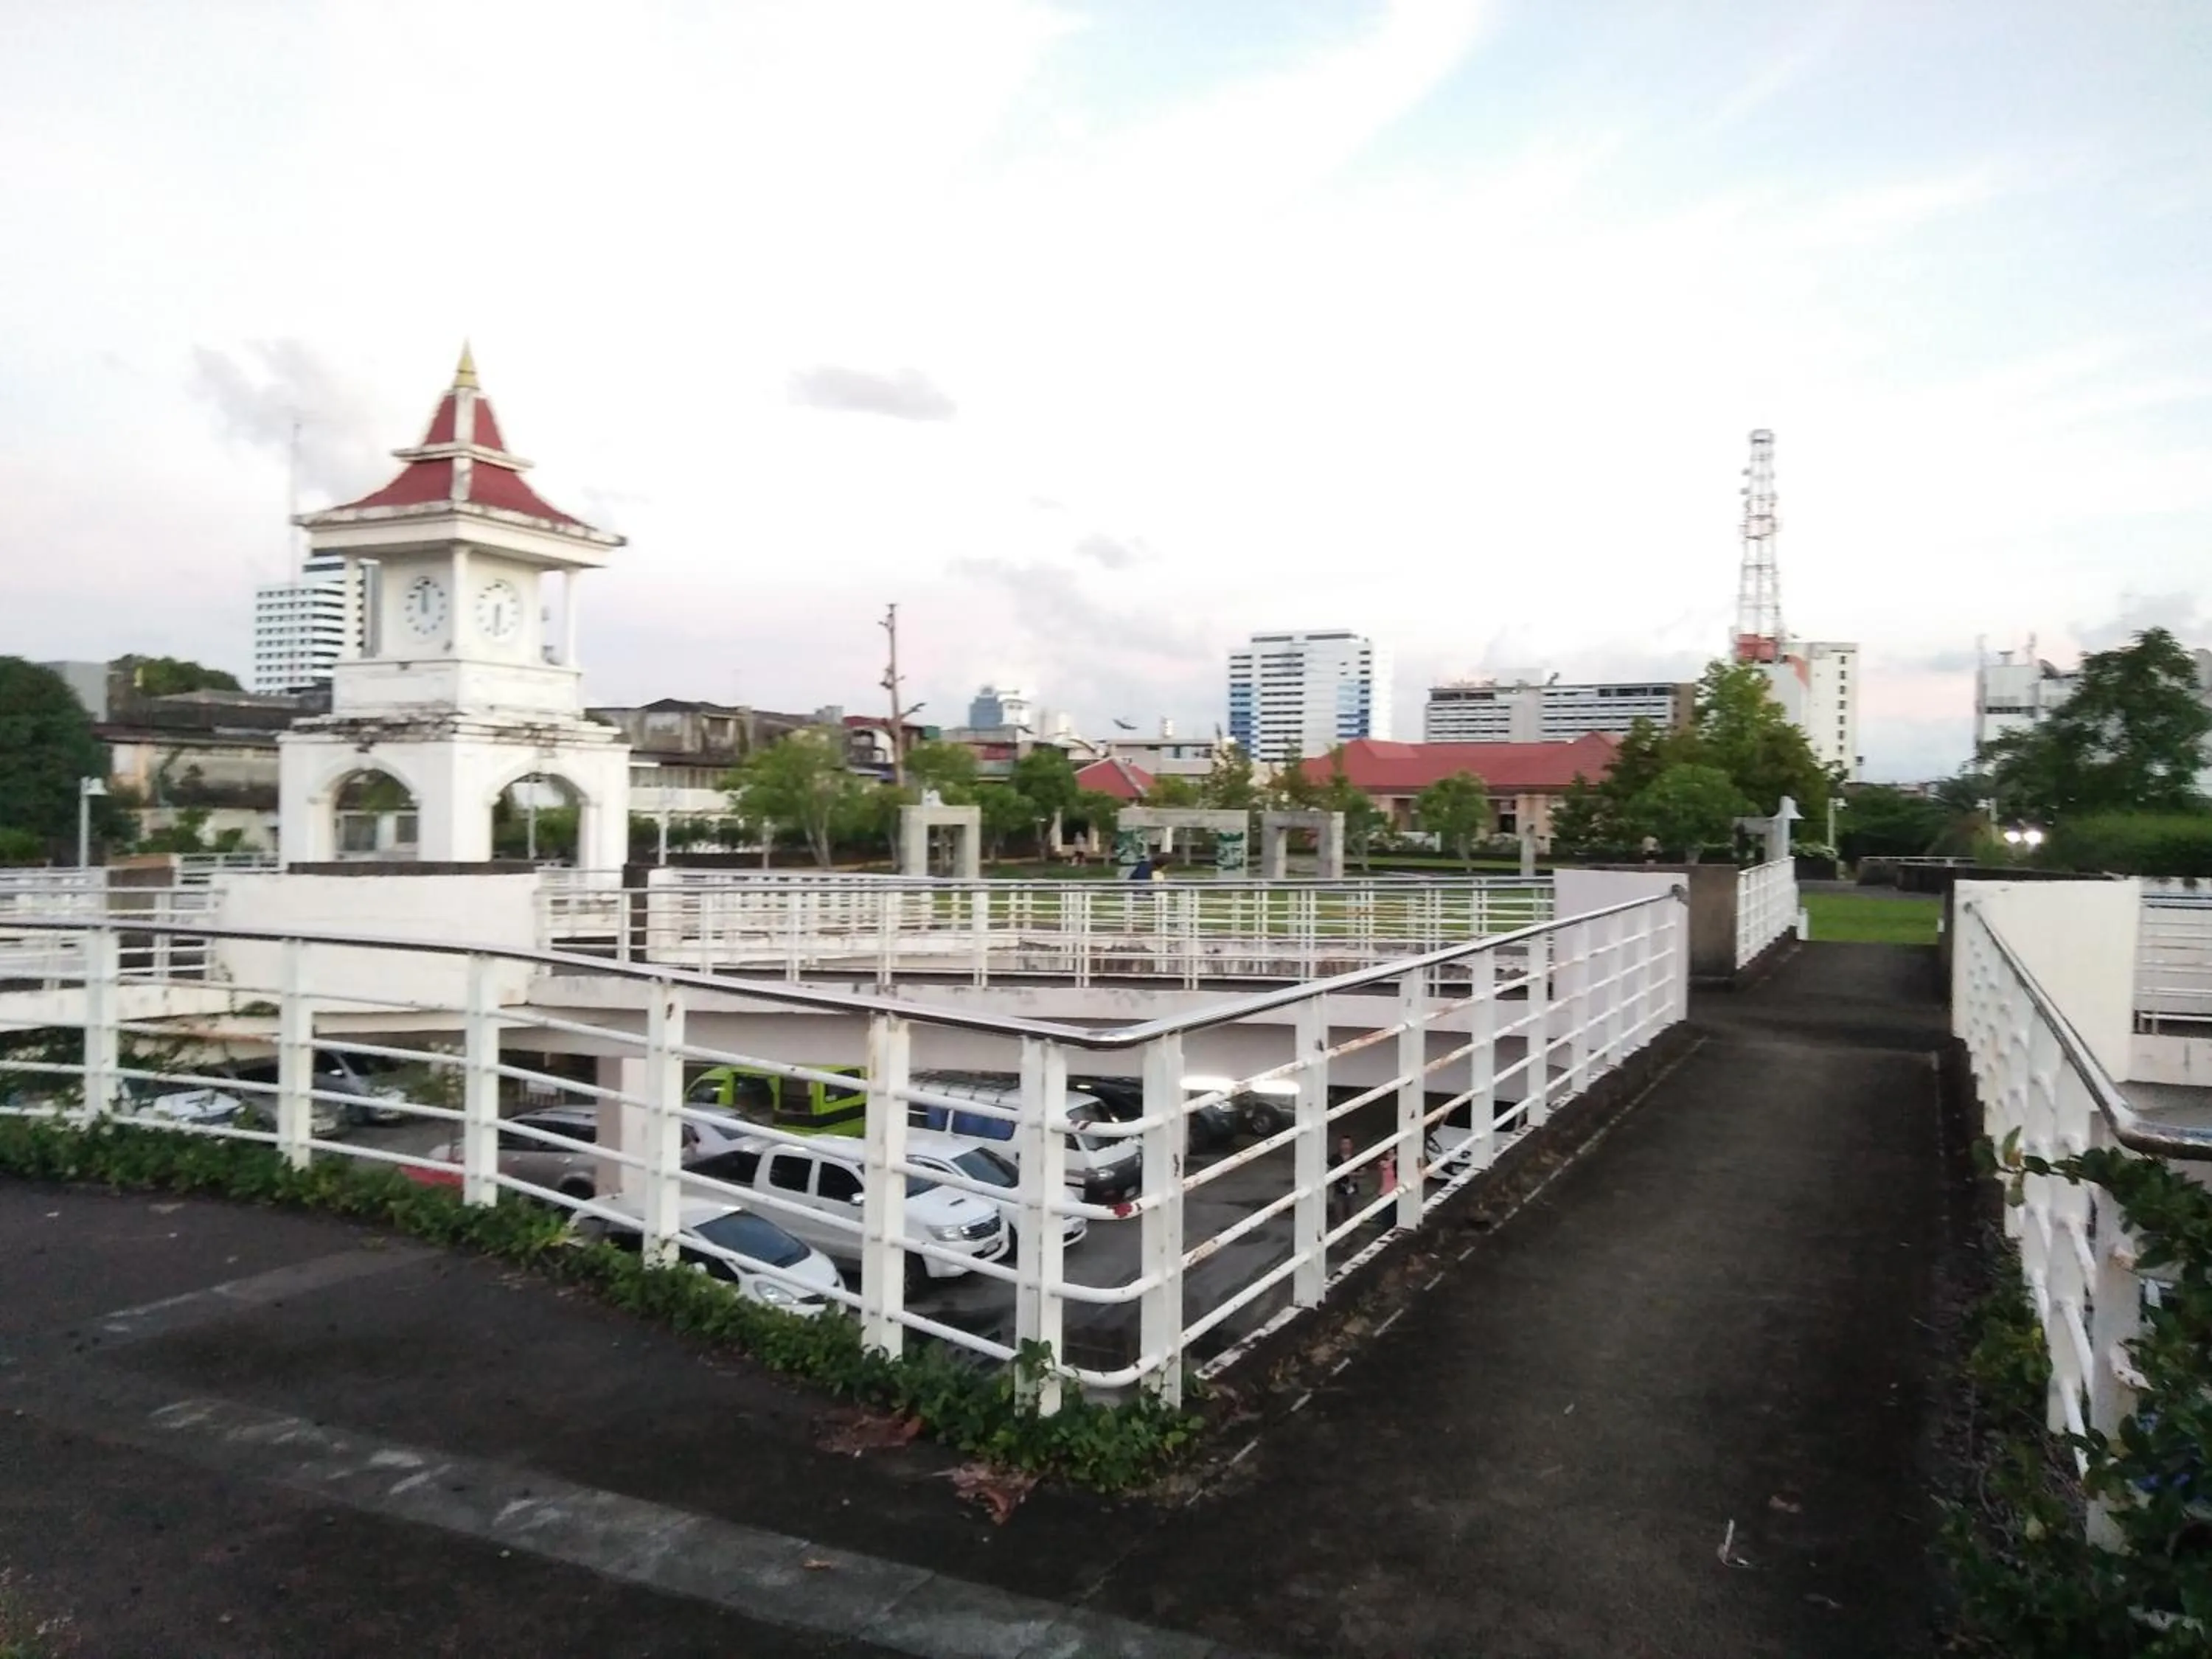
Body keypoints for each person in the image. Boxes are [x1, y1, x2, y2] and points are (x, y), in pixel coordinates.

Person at [1329, 1133, 1360, 1227]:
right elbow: (1328, 1170)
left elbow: (1363, 1172)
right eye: (1343, 1144)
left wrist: (1350, 1174)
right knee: (1339, 1216)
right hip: (1339, 1191)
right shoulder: (1335, 1158)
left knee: (1353, 1216)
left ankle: (1353, 1239)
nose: (1345, 1146)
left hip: (1353, 1191)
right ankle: (1341, 1239)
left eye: (1347, 1144)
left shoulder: (1357, 1157)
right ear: (1340, 1145)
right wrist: (1336, 1174)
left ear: (1351, 1145)